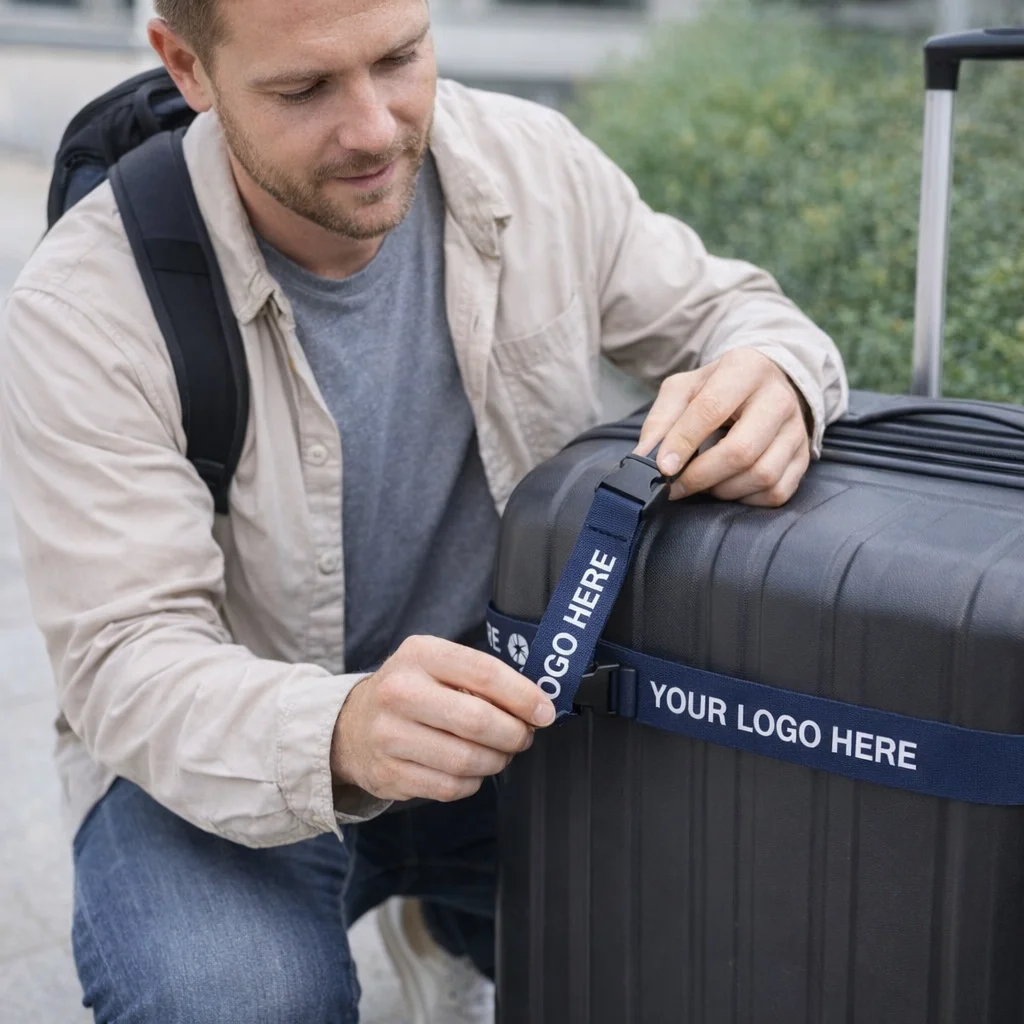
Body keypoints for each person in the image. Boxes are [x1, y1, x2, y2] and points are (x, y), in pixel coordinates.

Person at [0, 0, 848, 1017]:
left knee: (727, 940)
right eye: (304, 88)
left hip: (520, 720)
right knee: (234, 998)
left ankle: (446, 922)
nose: (373, 127)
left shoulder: (530, 162)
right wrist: (344, 727)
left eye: (400, 56)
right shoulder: (84, 307)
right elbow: (126, 659)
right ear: (187, 67)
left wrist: (776, 373)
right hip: (222, 755)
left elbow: (727, 308)